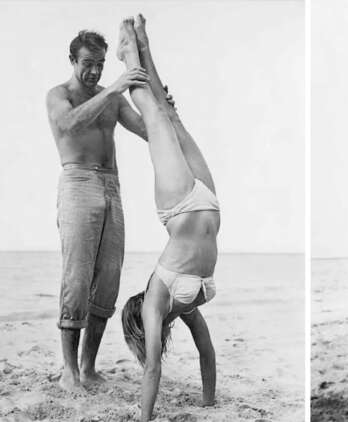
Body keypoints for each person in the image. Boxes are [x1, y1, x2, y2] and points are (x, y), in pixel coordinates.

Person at [45, 28, 171, 392]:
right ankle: (69, 370)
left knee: (108, 280)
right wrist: (115, 87)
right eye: (88, 64)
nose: (95, 72)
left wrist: (162, 110)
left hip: (112, 186)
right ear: (72, 61)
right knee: (77, 278)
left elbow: (147, 130)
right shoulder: (59, 95)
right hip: (78, 183)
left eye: (100, 65)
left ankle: (89, 366)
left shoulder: (110, 98)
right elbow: (68, 124)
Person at [116, 15, 218, 421]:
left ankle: (132, 53)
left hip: (179, 206)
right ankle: (141, 41)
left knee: (160, 117)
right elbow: (205, 352)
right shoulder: (184, 306)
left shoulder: (157, 301)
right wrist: (208, 405)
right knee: (171, 117)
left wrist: (144, 419)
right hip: (207, 202)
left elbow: (154, 368)